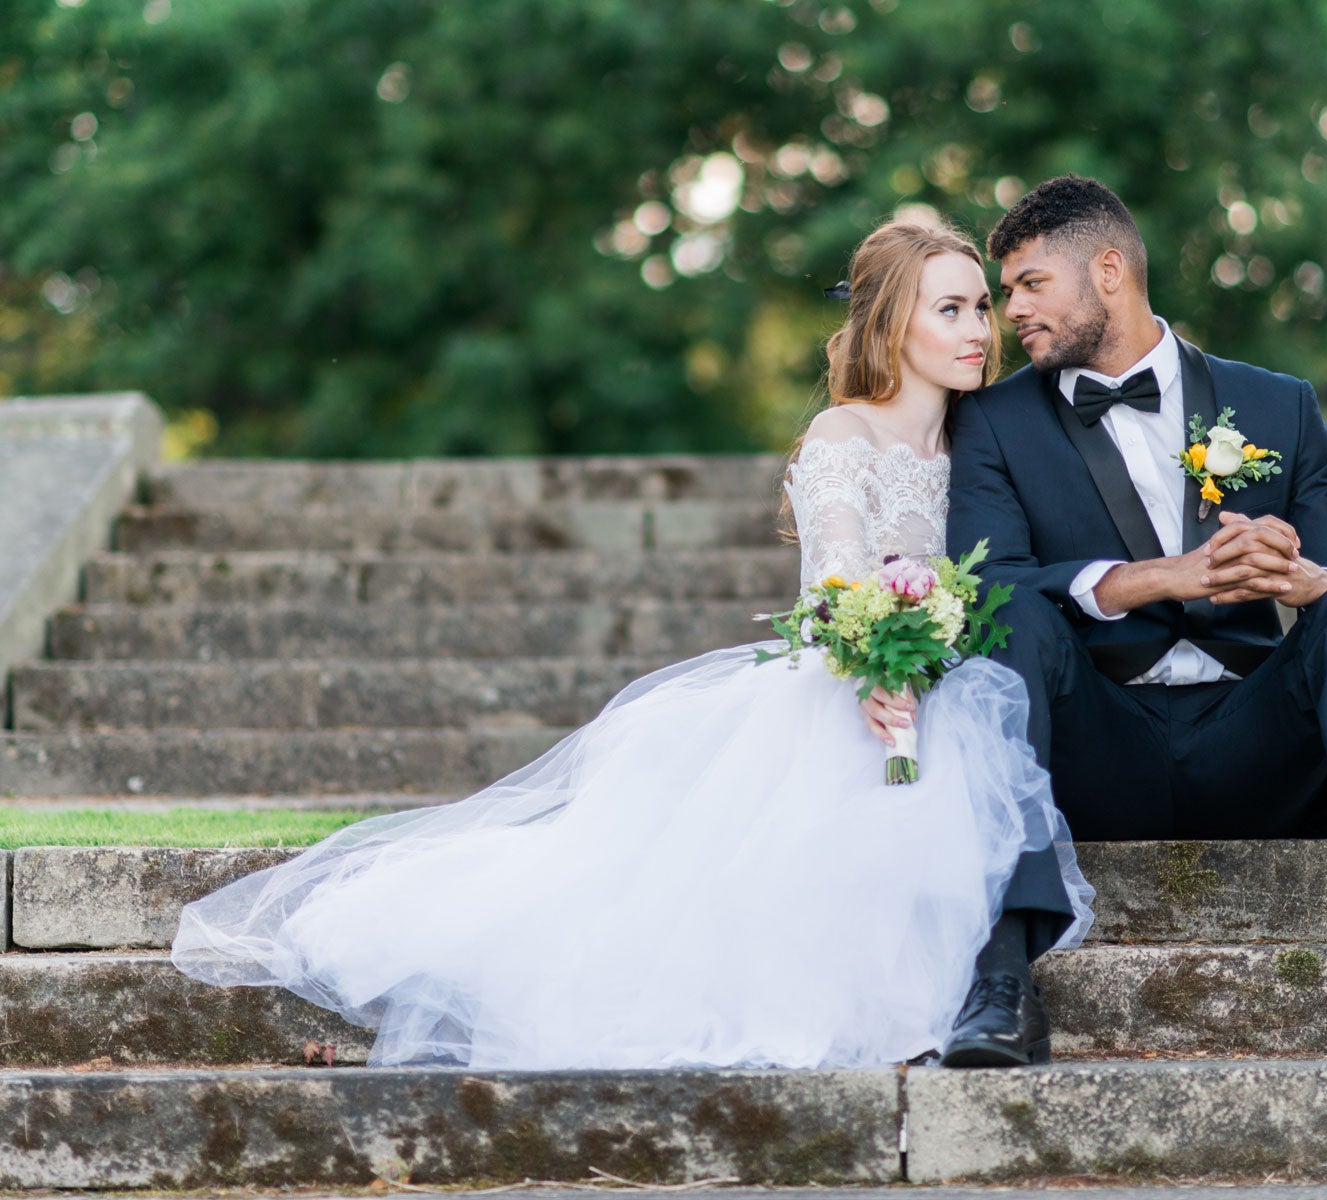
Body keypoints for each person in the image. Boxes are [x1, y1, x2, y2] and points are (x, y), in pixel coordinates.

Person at [171, 219, 1093, 1071]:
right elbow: (835, 582)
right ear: (892, 325)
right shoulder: (841, 433)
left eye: (981, 306)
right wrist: (873, 666)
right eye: (952, 309)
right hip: (853, 684)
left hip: (954, 678)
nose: (981, 328)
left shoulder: (984, 438)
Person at [940, 175, 1327, 1066]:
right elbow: (983, 588)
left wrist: (1295, 577)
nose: (1008, 312)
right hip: (1100, 750)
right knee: (1012, 611)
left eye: (1028, 285)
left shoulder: (1278, 406)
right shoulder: (991, 421)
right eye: (1004, 289)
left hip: (1254, 748)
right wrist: (1149, 579)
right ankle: (1003, 980)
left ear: (1107, 271)